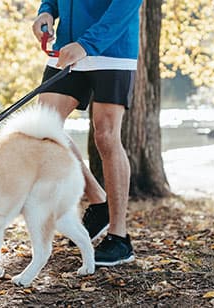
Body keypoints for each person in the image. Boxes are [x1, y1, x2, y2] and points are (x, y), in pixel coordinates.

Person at [32, 0, 142, 266]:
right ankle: (98, 200)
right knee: (44, 128)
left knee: (105, 136)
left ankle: (119, 238)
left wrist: (87, 45)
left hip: (111, 48)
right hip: (67, 48)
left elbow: (126, 6)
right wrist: (46, 11)